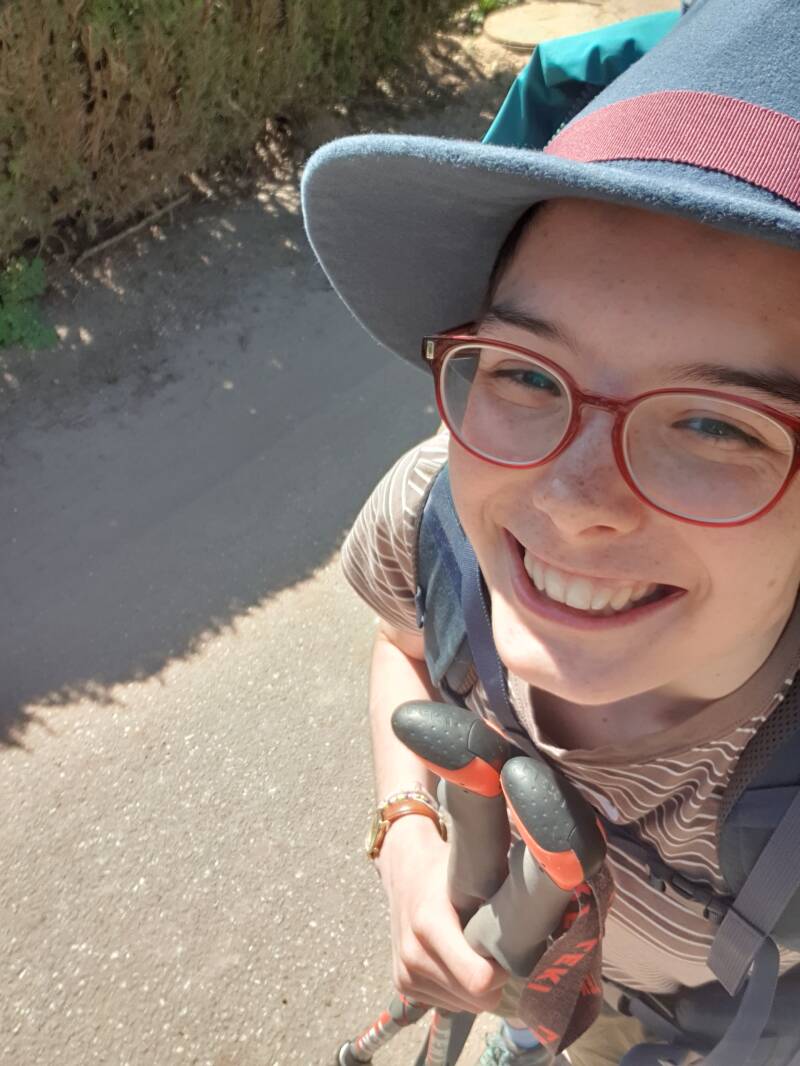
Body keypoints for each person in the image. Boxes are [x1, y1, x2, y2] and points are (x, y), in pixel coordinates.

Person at [302, 1, 800, 1062]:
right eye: (527, 374)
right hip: (529, 970)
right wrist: (407, 837)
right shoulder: (433, 515)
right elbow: (400, 641)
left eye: (716, 424)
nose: (571, 499)